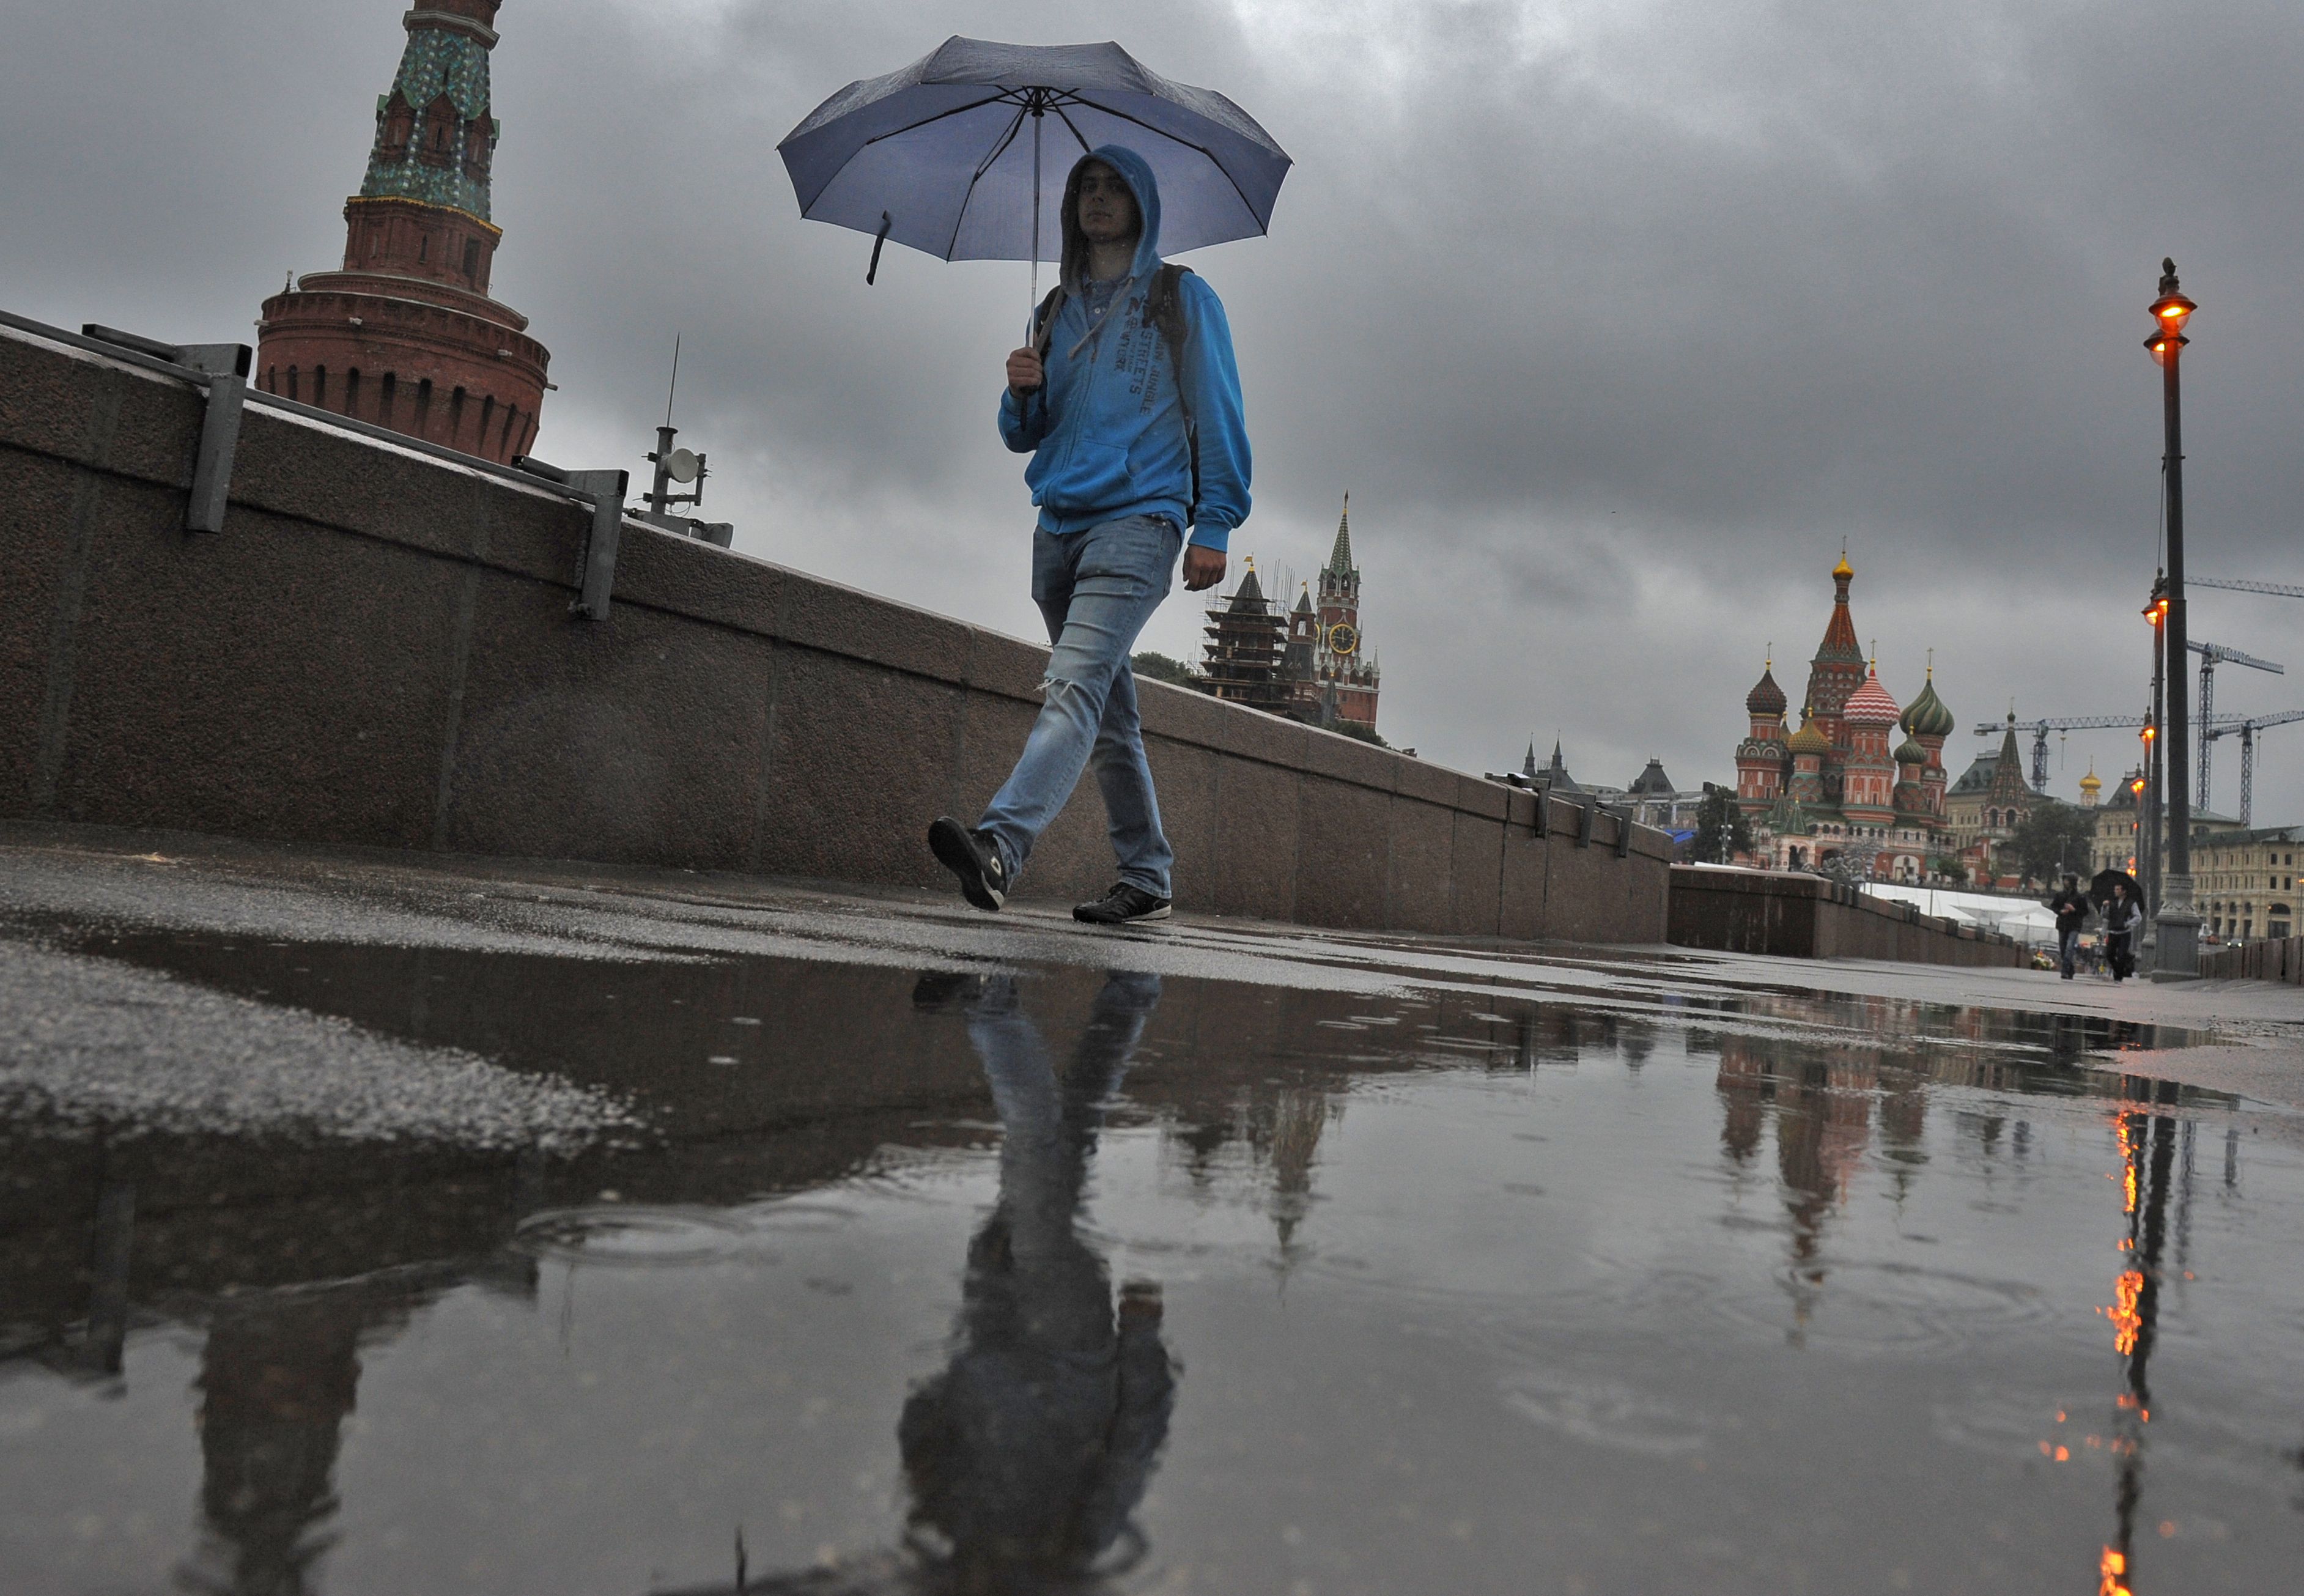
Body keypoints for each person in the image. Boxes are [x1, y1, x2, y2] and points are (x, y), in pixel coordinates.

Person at [928, 144, 1250, 926]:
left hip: (1141, 520)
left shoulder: (1182, 297)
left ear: (1142, 202)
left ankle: (1001, 846)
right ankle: (1148, 874)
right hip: (1058, 528)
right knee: (1106, 710)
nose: (1098, 200)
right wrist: (1020, 393)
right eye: (1086, 188)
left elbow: (1219, 410)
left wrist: (1214, 521)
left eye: (1114, 187)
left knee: (1072, 688)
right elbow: (1026, 435)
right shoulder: (1053, 309)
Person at [2048, 874, 2091, 980]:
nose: (2065, 882)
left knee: (2069, 947)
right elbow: (2053, 906)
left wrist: (2074, 910)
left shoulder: (2080, 897)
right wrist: (2060, 911)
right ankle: (2070, 968)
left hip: (2074, 925)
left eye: (2067, 880)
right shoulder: (2060, 895)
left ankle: (2065, 971)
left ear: (2072, 882)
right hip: (2062, 924)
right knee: (2063, 948)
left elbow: (2085, 912)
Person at [2103, 880, 2143, 981]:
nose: (2115, 891)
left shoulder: (2131, 903)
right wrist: (2105, 907)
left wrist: (2127, 924)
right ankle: (2119, 970)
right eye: (2115, 889)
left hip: (2124, 934)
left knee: (2121, 955)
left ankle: (2118, 977)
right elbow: (2105, 916)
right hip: (2113, 932)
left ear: (2123, 891)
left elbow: (2138, 917)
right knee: (2109, 954)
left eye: (2118, 889)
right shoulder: (2112, 902)